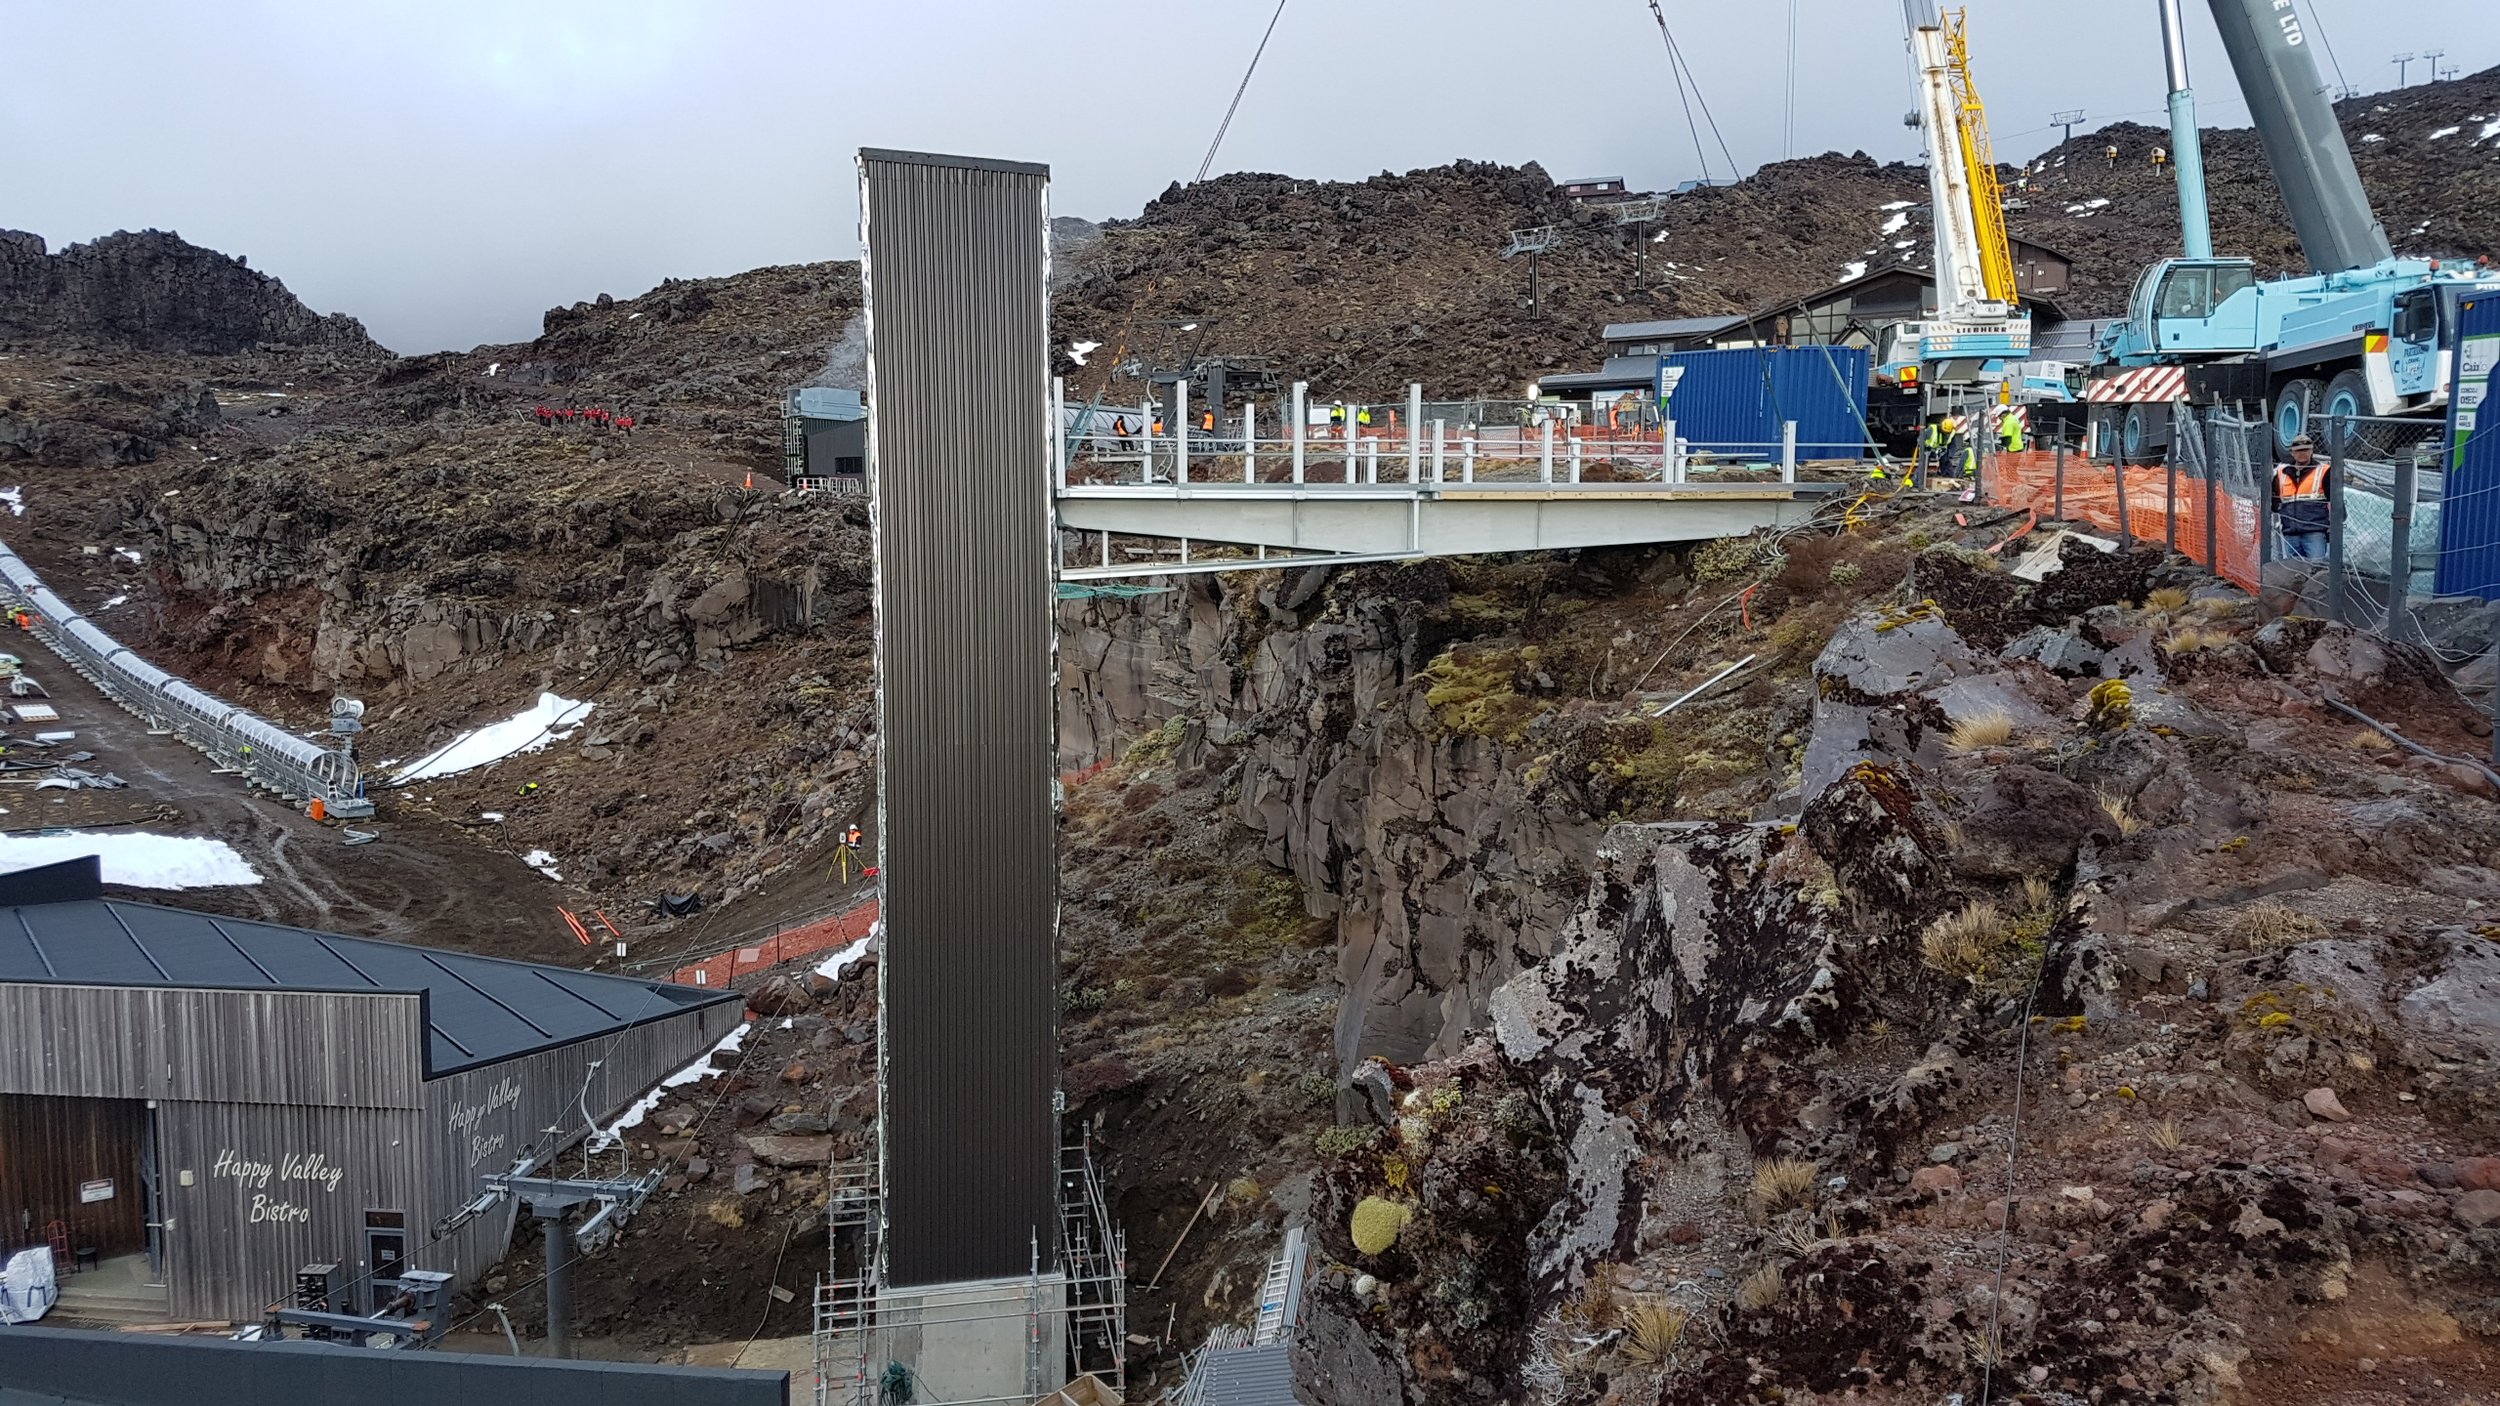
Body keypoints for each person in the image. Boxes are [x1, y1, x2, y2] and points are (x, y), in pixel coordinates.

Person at [2272, 434, 2331, 558]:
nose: (2302, 453)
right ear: (2292, 453)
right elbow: (2273, 502)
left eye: (2305, 450)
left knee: (2316, 572)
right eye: (2298, 451)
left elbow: (2335, 502)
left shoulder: (2324, 472)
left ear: (2312, 451)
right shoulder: (2282, 473)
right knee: (2292, 573)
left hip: (2314, 533)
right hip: (2290, 534)